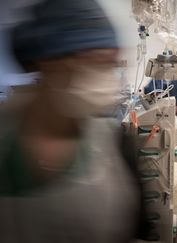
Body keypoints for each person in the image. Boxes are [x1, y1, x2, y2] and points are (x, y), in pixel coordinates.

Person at [0, 0, 141, 242]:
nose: (108, 77)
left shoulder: (114, 144)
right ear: (49, 60)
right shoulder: (6, 139)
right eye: (97, 62)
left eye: (111, 64)